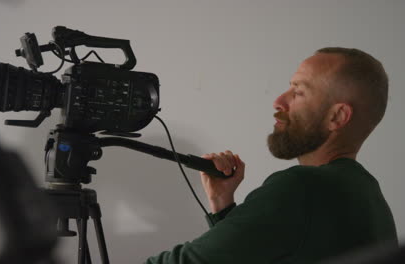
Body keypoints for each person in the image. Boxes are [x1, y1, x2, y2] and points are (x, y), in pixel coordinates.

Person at [144, 47, 398, 264]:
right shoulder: (369, 195)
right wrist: (223, 205)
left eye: (298, 92)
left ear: (337, 117)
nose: (278, 101)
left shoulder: (302, 187)